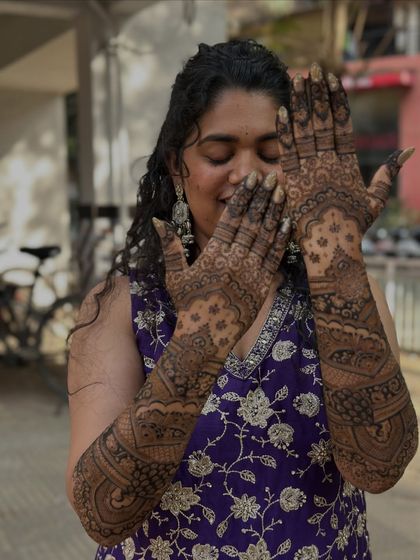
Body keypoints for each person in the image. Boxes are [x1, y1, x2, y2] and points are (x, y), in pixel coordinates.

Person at [66, 40, 418, 560]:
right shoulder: (123, 305)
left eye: (274, 154)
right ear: (176, 166)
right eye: (218, 154)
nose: (248, 174)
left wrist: (336, 260)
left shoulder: (345, 296)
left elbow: (379, 468)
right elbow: (103, 515)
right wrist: (199, 342)